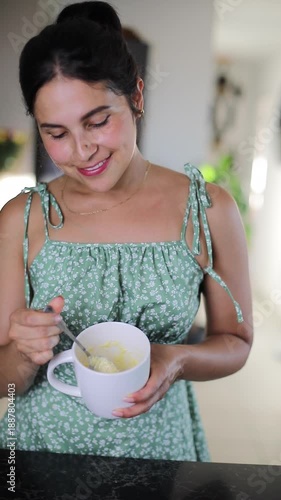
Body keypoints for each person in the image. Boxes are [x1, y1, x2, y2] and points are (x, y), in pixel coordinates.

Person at [0, 1, 253, 461]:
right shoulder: (23, 217)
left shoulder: (208, 208)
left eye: (98, 122)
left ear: (137, 95)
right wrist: (21, 352)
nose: (82, 151)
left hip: (159, 454)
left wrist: (176, 360)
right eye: (56, 133)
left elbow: (235, 343)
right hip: (38, 454)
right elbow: (4, 383)